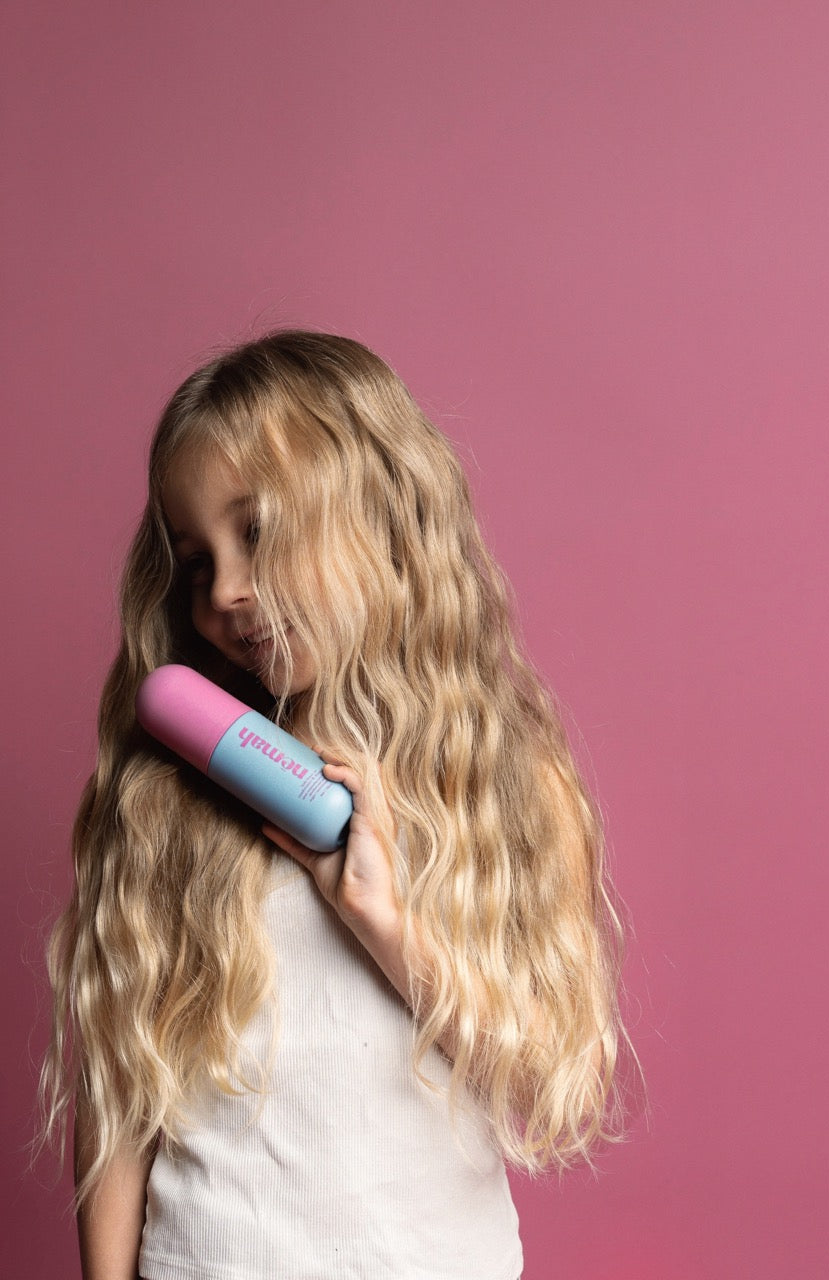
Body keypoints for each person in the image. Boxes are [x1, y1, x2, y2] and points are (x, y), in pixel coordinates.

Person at [40, 330, 636, 1280]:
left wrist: (382, 919)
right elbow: (119, 1098)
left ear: (381, 515)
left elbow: (534, 1076)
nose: (227, 590)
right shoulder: (168, 808)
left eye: (259, 531)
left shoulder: (510, 792)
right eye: (197, 564)